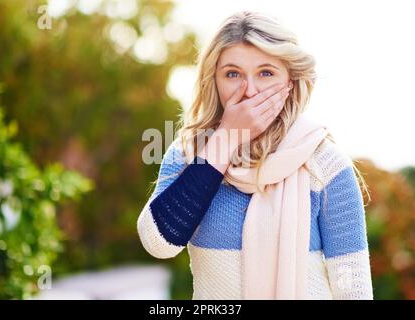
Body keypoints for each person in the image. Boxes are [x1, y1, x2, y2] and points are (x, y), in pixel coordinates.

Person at [137, 10, 373, 300]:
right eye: (233, 74)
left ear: (290, 81)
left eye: (266, 73)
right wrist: (226, 139)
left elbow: (354, 291)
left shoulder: (326, 164)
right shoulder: (189, 154)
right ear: (214, 80)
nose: (249, 91)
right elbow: (158, 243)